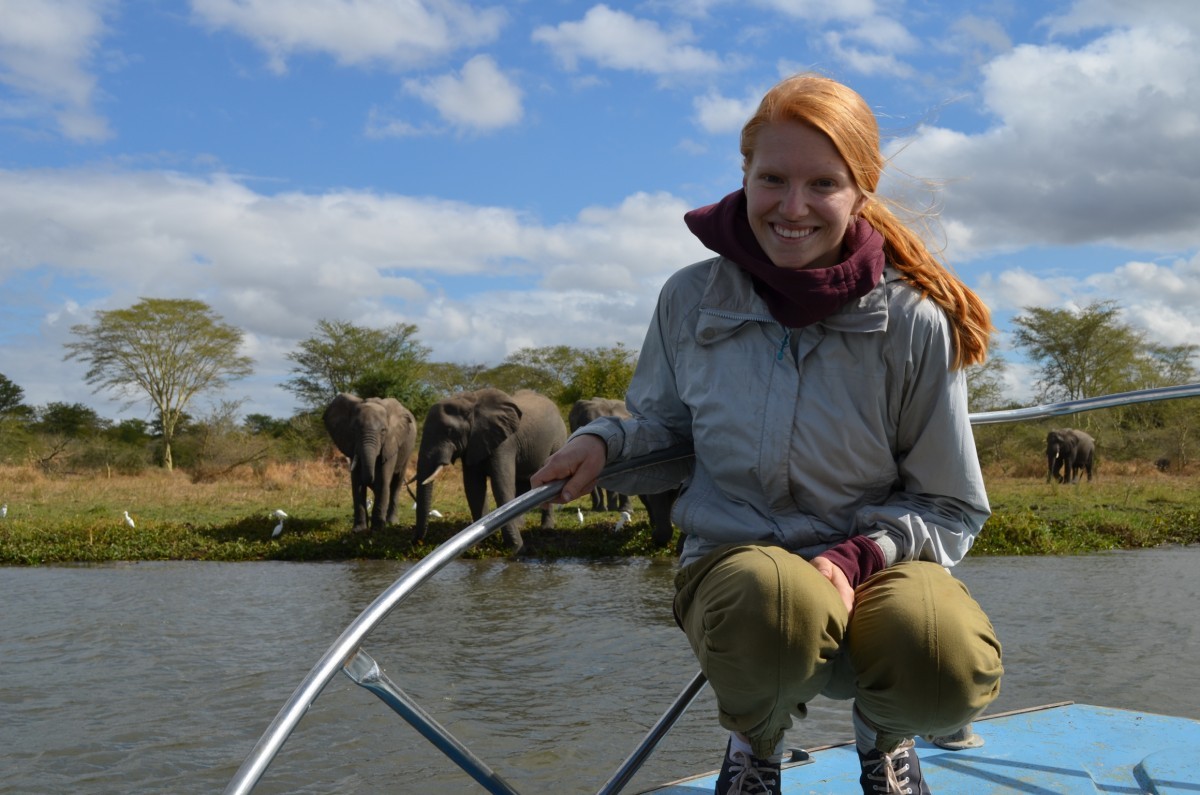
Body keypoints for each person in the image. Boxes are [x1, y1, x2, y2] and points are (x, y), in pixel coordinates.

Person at [532, 73, 1003, 795]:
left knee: (945, 656)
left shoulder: (911, 321)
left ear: (862, 191)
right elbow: (664, 428)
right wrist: (604, 443)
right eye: (772, 179)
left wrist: (853, 559)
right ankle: (758, 745)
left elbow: (950, 504)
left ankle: (885, 744)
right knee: (776, 605)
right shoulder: (690, 297)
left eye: (823, 183)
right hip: (737, 571)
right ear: (744, 175)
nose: (792, 207)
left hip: (878, 570)